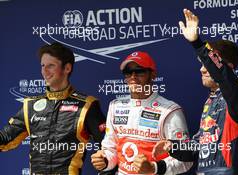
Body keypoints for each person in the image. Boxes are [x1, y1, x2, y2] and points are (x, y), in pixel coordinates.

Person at [153, 9, 238, 175]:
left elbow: (222, 74)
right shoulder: (211, 100)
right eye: (201, 64)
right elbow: (198, 146)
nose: (202, 69)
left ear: (227, 67)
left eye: (206, 65)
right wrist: (173, 146)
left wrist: (198, 44)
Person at [0, 42, 108, 174]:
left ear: (67, 68)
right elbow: (6, 138)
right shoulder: (30, 105)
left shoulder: (86, 105)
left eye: (50, 66)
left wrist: (105, 163)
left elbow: (109, 148)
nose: (44, 71)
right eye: (42, 65)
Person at [91, 51, 193, 175]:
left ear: (153, 75)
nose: (133, 77)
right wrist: (105, 161)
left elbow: (186, 160)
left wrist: (153, 168)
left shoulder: (170, 110)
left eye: (139, 71)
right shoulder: (115, 106)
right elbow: (110, 149)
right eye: (128, 72)